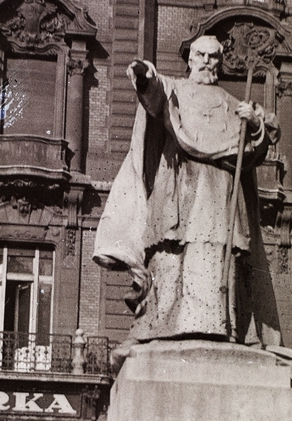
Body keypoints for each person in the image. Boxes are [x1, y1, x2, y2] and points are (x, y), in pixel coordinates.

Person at [93, 34, 281, 346]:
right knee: (173, 251)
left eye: (213, 56)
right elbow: (153, 94)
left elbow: (251, 153)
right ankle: (165, 324)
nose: (207, 62)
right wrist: (144, 76)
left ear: (219, 62)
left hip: (219, 193)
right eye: (201, 56)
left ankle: (222, 327)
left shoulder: (235, 105)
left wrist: (256, 126)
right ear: (190, 60)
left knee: (219, 254)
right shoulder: (175, 91)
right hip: (179, 187)